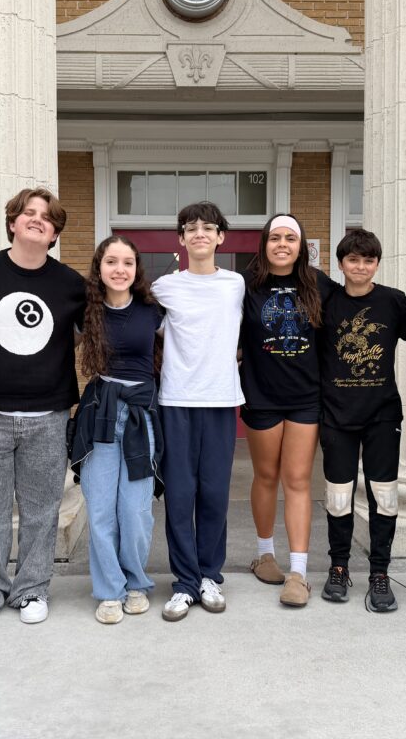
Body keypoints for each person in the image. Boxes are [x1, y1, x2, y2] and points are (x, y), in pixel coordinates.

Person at [0, 188, 86, 628]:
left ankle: (31, 590)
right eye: (29, 213)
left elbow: (90, 335)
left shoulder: (70, 285)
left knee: (42, 508)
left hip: (47, 415)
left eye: (47, 217)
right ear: (12, 222)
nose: (37, 220)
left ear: (55, 233)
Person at [151, 202, 245, 622]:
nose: (200, 234)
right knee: (180, 495)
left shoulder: (236, 284)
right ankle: (185, 583)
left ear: (221, 237)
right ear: (181, 239)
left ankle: (210, 576)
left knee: (214, 495)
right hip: (176, 401)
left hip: (221, 400)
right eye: (191, 228)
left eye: (209, 228)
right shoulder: (165, 287)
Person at [317, 229, 406, 612]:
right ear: (341, 264)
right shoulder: (326, 303)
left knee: (385, 496)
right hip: (337, 416)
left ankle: (379, 573)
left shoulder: (393, 301)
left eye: (368, 260)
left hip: (382, 415)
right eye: (353, 260)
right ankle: (339, 567)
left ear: (377, 263)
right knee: (339, 498)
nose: (360, 267)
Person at [69, 236, 164, 625]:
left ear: (136, 268)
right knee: (102, 509)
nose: (119, 269)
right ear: (99, 267)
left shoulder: (154, 311)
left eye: (127, 262)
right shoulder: (85, 312)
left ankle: (136, 582)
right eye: (111, 261)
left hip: (142, 416)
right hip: (100, 414)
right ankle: (109, 590)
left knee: (136, 510)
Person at [240, 214, 332, 607]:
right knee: (266, 475)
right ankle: (265, 555)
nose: (282, 244)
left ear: (301, 244)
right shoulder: (245, 286)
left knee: (297, 480)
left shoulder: (319, 284)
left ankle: (298, 572)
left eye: (289, 238)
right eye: (275, 237)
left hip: (305, 398)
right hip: (261, 395)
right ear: (264, 244)